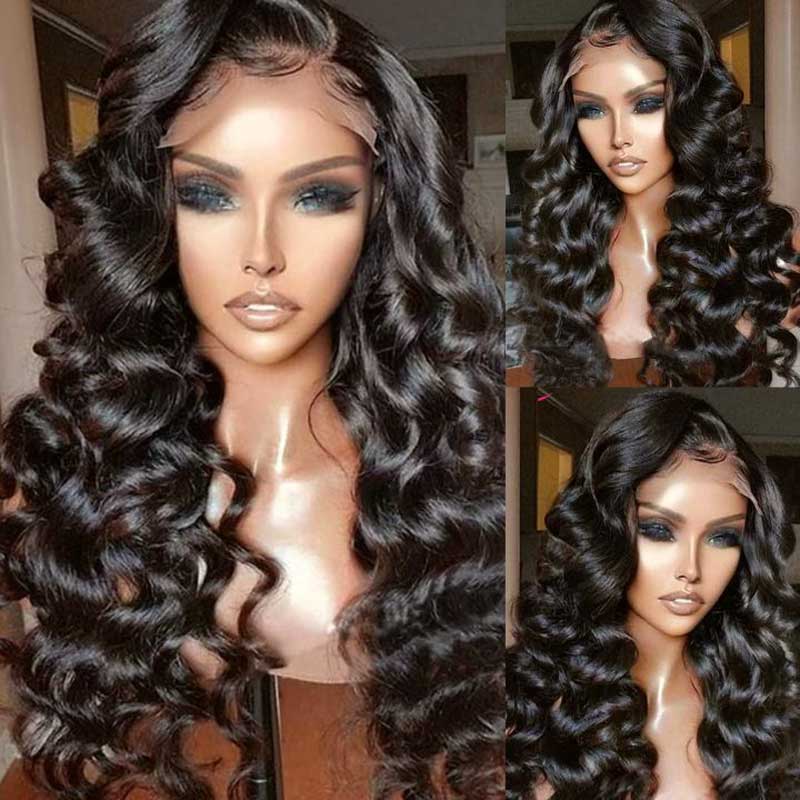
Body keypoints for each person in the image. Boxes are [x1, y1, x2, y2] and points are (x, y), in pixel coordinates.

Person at [0, 1, 505, 797]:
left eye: (317, 195)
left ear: (381, 204)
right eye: (208, 194)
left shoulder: (454, 483)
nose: (262, 254)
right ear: (150, 202)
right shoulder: (65, 477)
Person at [507, 392, 800, 799]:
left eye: (722, 537)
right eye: (658, 530)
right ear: (606, 533)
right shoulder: (526, 701)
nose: (692, 569)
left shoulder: (758, 706)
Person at [507, 0, 800, 388]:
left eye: (645, 104)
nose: (618, 137)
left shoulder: (770, 257)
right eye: (591, 111)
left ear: (691, 106)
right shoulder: (564, 259)